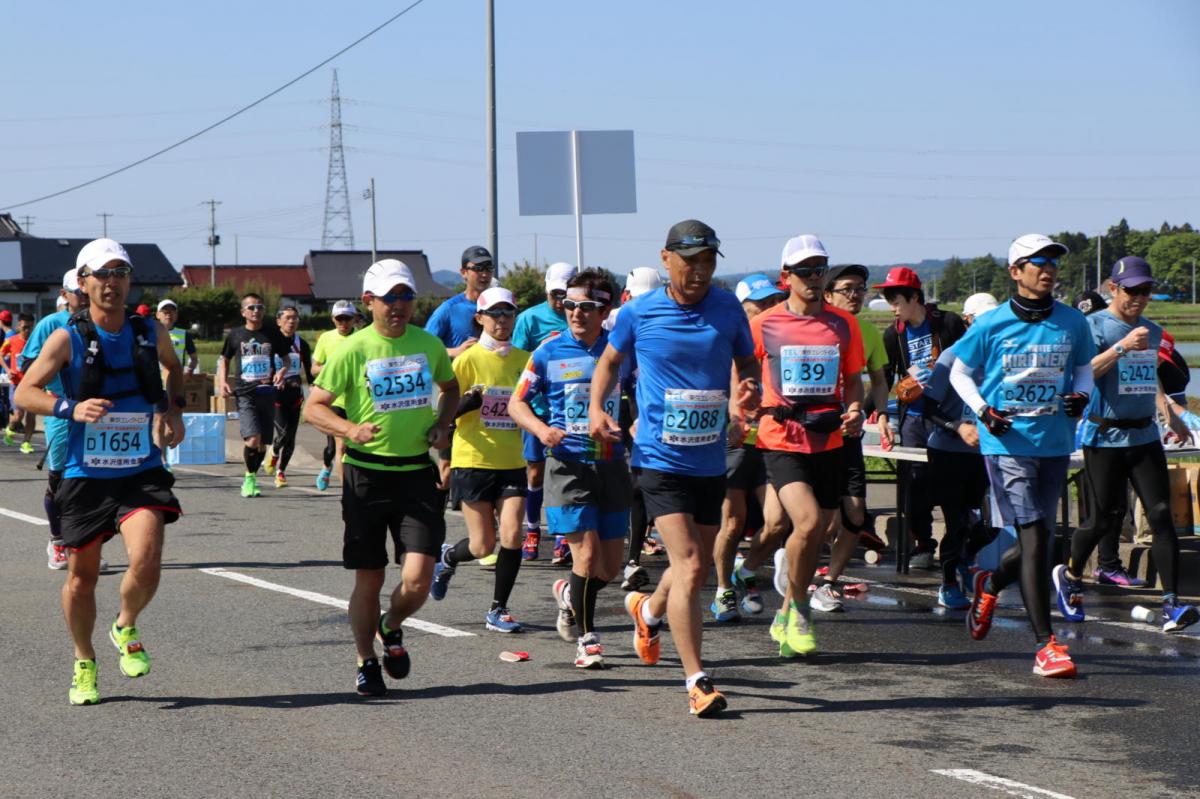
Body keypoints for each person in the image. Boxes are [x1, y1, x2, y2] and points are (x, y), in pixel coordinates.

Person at [589, 219, 759, 717]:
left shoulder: (727, 307)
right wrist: (599, 408)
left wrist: (745, 392)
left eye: (708, 262)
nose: (700, 272)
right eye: (690, 262)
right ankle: (697, 680)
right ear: (666, 259)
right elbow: (608, 363)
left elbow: (748, 364)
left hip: (708, 457)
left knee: (698, 566)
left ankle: (648, 609)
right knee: (687, 564)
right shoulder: (640, 312)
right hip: (658, 459)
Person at [15, 237, 184, 705]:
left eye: (120, 273)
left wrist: (174, 410)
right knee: (81, 579)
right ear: (83, 282)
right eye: (102, 274)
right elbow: (25, 393)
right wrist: (70, 407)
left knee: (147, 559)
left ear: (130, 280)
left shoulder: (151, 332)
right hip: (84, 473)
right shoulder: (66, 336)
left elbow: (174, 368)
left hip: (139, 467)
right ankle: (83, 660)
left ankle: (125, 625)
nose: (112, 283)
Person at [303, 259, 458, 697]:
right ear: (369, 301)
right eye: (390, 297)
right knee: (369, 578)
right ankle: (366, 661)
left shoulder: (427, 344)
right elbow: (313, 407)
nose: (400, 306)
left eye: (406, 296)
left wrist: (443, 424)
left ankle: (391, 625)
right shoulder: (353, 349)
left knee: (417, 579)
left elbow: (451, 388)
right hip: (366, 477)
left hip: (415, 475)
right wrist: (350, 429)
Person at [950, 233, 1096, 679]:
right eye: (1037, 262)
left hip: (1054, 440)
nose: (1047, 269)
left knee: (1039, 539)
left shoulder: (1072, 322)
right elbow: (959, 372)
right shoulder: (990, 323)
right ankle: (1045, 646)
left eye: (1053, 261)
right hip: (1007, 443)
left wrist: (1080, 397)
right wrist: (982, 411)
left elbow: (1085, 368)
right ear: (1016, 272)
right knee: (1036, 540)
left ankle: (988, 582)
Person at [1053, 256, 1199, 634]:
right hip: (1104, 434)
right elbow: (1081, 373)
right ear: (1114, 289)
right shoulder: (1094, 326)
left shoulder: (1150, 328)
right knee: (1104, 517)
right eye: (1132, 290)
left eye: (1146, 290)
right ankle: (1069, 575)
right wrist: (1120, 347)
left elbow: (1145, 376)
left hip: (1145, 435)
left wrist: (1170, 412)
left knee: (1162, 514)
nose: (1139, 298)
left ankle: (1172, 604)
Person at [750, 235, 865, 657]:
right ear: (787, 277)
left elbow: (853, 378)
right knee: (810, 521)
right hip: (780, 438)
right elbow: (742, 369)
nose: (815, 278)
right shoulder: (764, 324)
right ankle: (800, 608)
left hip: (831, 437)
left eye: (820, 269)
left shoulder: (843, 323)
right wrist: (740, 406)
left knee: (821, 530)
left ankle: (783, 613)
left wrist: (855, 408)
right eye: (806, 271)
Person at [512, 271, 631, 668]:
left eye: (587, 307)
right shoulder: (547, 352)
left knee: (610, 567)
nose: (577, 314)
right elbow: (517, 404)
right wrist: (543, 430)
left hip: (612, 464)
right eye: (570, 306)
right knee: (585, 553)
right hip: (568, 464)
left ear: (605, 310)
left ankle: (569, 594)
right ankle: (588, 639)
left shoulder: (619, 353)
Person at [429, 287, 530, 632]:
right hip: (473, 460)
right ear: (480, 318)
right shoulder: (467, 360)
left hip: (512, 459)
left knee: (513, 534)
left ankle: (498, 609)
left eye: (508, 313)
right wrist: (464, 406)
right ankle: (447, 557)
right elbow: (442, 413)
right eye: (495, 314)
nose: (502, 320)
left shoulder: (524, 360)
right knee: (482, 544)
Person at [803, 263, 895, 613]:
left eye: (861, 288)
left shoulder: (868, 332)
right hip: (812, 436)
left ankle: (827, 584)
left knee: (855, 516)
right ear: (827, 294)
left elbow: (880, 380)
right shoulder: (811, 328)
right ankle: (800, 572)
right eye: (847, 289)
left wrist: (882, 414)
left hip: (850, 434)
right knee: (820, 520)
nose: (856, 295)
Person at [877, 267, 967, 569]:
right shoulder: (893, 334)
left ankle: (957, 545)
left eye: (896, 299)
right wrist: (877, 414)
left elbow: (972, 362)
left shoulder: (948, 323)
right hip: (913, 418)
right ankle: (923, 545)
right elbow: (885, 378)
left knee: (953, 483)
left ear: (915, 297)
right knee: (915, 486)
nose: (892, 307)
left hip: (949, 415)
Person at [710, 273, 787, 623]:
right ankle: (724, 589)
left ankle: (746, 569)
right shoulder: (728, 341)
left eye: (774, 301)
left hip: (771, 439)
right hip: (733, 442)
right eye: (761, 303)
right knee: (732, 523)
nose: (770, 308)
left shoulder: (780, 340)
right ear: (742, 308)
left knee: (778, 520)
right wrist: (732, 419)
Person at [922, 292, 1000, 609]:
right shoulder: (953, 356)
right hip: (948, 452)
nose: (991, 326)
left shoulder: (1001, 357)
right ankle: (948, 582)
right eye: (983, 319)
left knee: (993, 523)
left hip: (986, 452)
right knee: (956, 522)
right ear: (968, 320)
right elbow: (928, 408)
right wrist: (958, 427)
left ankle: (966, 557)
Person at [22, 266, 95, 570]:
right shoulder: (52, 323)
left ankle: (84, 544)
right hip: (61, 411)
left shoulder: (101, 324)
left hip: (94, 414)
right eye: (78, 292)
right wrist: (49, 394)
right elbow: (29, 365)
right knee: (59, 480)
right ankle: (57, 540)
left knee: (90, 481)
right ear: (65, 295)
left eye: (86, 291)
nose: (84, 296)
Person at [513, 261, 578, 563]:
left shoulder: (579, 316)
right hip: (537, 409)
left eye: (563, 294)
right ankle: (533, 530)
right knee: (536, 472)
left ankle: (563, 537)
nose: (559, 300)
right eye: (554, 294)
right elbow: (516, 359)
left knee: (562, 474)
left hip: (568, 411)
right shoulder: (530, 318)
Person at [609, 267, 666, 592]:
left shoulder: (667, 324)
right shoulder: (620, 324)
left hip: (661, 420)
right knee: (630, 488)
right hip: (623, 417)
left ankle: (634, 559)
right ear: (626, 297)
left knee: (643, 489)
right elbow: (621, 383)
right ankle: (624, 558)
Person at [216, 293, 291, 498]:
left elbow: (286, 360)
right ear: (243, 313)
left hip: (267, 393)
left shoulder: (273, 333)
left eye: (259, 307)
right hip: (245, 393)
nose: (256, 311)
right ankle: (248, 479)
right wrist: (223, 381)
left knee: (263, 445)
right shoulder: (235, 335)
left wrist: (282, 372)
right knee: (252, 439)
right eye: (251, 308)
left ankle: (253, 477)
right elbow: (224, 359)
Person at [311, 300, 358, 491]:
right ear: (333, 319)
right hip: (334, 399)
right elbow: (314, 369)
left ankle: (326, 467)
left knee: (348, 447)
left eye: (347, 318)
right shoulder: (326, 339)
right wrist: (332, 369)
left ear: (354, 319)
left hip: (357, 400)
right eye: (339, 319)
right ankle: (347, 491)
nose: (343, 323)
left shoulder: (362, 338)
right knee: (339, 446)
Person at [265, 305, 313, 488]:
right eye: (287, 318)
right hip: (275, 395)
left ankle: (281, 472)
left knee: (291, 438)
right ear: (278, 321)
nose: (291, 321)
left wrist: (314, 389)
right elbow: (266, 369)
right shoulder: (269, 343)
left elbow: (309, 372)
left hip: (295, 395)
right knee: (283, 433)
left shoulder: (303, 345)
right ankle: (274, 453)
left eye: (295, 318)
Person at [425, 245, 495, 357]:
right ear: (463, 272)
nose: (484, 274)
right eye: (478, 268)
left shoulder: (499, 308)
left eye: (489, 268)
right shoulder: (449, 308)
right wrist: (454, 351)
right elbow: (425, 346)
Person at [2, 313, 37, 453]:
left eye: (29, 328)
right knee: (18, 415)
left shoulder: (36, 341)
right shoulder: (11, 340)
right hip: (17, 383)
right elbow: (1, 354)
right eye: (24, 327)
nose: (27, 331)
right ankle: (10, 429)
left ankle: (26, 443)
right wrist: (7, 369)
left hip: (33, 383)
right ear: (18, 326)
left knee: (31, 414)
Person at [155, 300, 198, 374]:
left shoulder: (184, 334)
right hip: (155, 379)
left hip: (176, 379)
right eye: (165, 311)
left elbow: (194, 358)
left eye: (172, 311)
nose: (169, 314)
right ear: (158, 315)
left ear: (176, 315)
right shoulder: (151, 333)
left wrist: (189, 369)